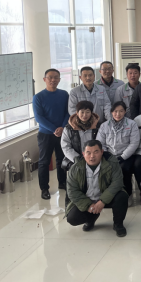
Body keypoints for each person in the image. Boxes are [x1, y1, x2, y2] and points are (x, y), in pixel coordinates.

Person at [65, 139, 128, 237]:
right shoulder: (75, 168)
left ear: (102, 152)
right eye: (88, 153)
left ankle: (118, 224)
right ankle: (91, 218)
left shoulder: (112, 163)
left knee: (122, 196)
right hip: (87, 199)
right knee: (72, 218)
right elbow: (72, 191)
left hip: (106, 197)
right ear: (83, 154)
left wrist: (102, 201)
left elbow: (117, 183)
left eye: (96, 152)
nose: (92, 156)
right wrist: (89, 205)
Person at [33, 68, 70, 200]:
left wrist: (62, 127)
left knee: (62, 159)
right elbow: (39, 118)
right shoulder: (38, 97)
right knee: (44, 162)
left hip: (62, 133)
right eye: (50, 77)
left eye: (56, 77)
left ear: (59, 80)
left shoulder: (64, 94)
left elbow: (68, 112)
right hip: (46, 134)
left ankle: (62, 183)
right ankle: (44, 188)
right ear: (45, 79)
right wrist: (55, 129)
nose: (53, 80)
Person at [97, 101, 140, 197]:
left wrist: (122, 157)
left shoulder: (131, 124)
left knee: (124, 169)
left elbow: (134, 143)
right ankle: (109, 195)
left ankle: (127, 195)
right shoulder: (104, 125)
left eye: (121, 111)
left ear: (125, 112)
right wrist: (107, 156)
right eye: (115, 111)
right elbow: (100, 143)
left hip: (126, 156)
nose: (118, 114)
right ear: (112, 112)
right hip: (108, 155)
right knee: (105, 169)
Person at [61, 100, 99, 168]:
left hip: (94, 159)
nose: (85, 115)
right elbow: (65, 146)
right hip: (75, 160)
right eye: (82, 112)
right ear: (77, 113)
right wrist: (78, 159)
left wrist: (92, 158)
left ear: (91, 113)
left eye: (87, 112)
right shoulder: (69, 128)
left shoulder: (98, 127)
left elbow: (102, 144)